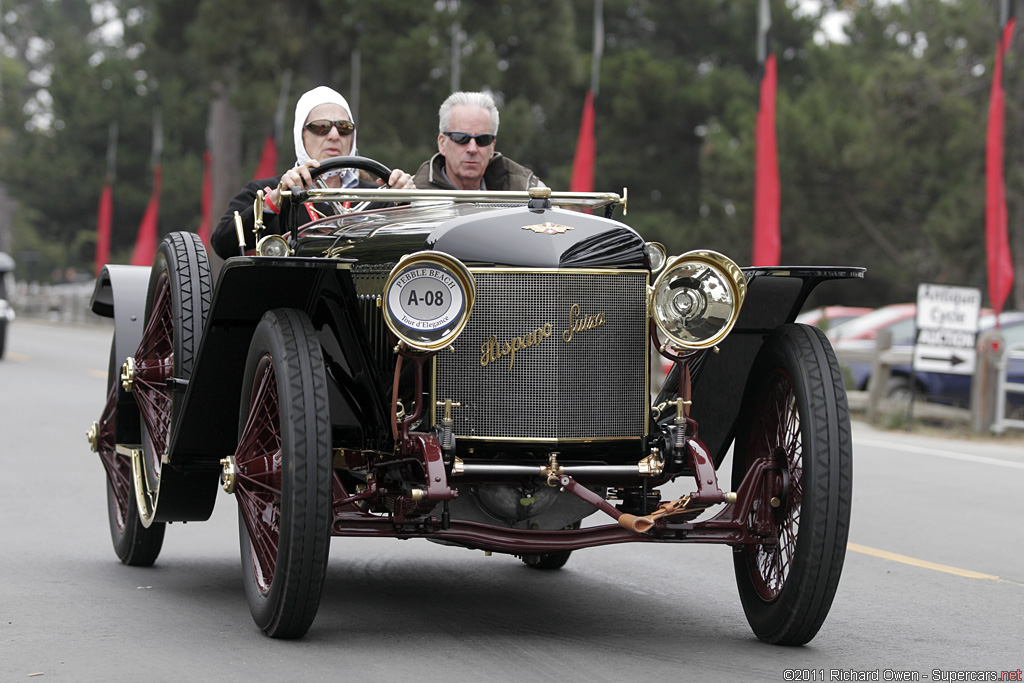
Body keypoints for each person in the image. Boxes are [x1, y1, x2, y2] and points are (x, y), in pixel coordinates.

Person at [212, 86, 414, 259]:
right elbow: (223, 244)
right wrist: (272, 202)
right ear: (300, 136)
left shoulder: (380, 196)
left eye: (344, 127)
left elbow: (414, 252)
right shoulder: (264, 191)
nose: (334, 135)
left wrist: (406, 204)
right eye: (321, 127)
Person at [413, 91, 543, 192]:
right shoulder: (410, 194)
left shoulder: (526, 190)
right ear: (442, 144)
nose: (472, 149)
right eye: (461, 138)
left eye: (482, 139)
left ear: (492, 147)